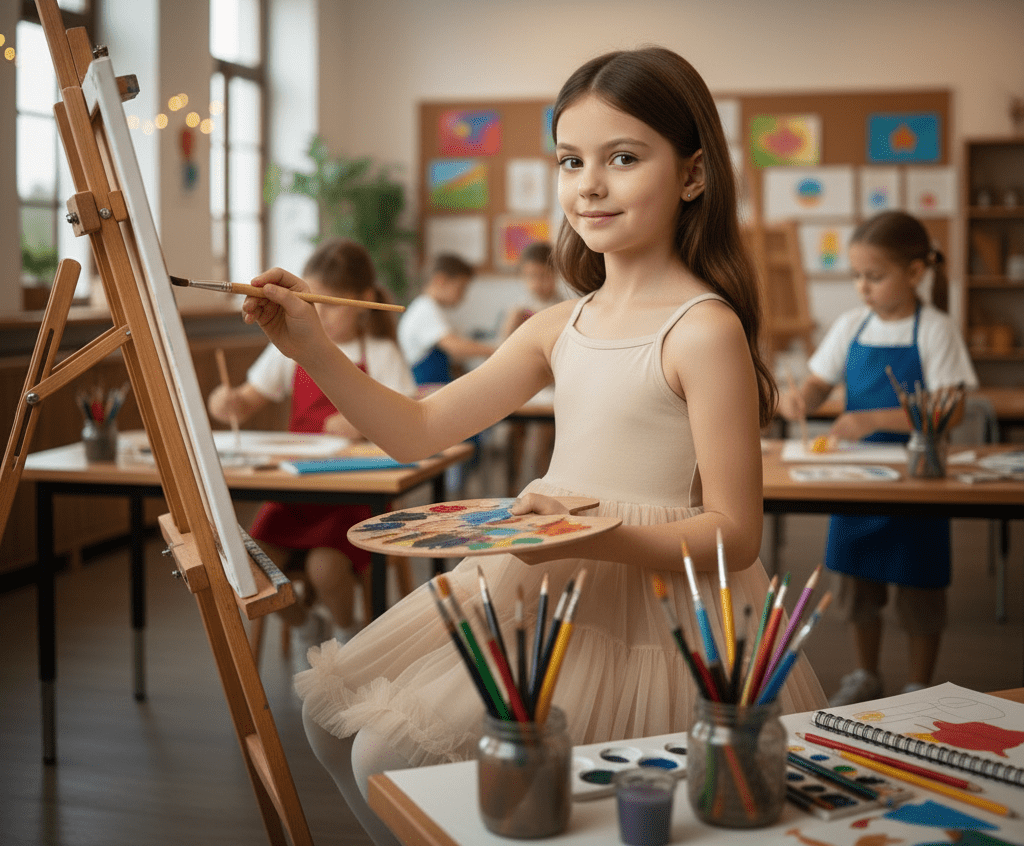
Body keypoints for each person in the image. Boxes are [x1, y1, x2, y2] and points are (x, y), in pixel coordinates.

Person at [240, 46, 826, 845]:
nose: (589, 183)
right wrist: (311, 348)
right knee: (336, 729)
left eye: (623, 158)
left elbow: (735, 534)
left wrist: (594, 535)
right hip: (535, 580)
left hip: (654, 613)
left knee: (390, 755)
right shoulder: (558, 324)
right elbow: (414, 429)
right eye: (571, 159)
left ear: (692, 175)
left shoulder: (705, 328)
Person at [778, 211, 978, 706]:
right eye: (856, 277)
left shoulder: (935, 329)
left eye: (875, 275)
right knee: (856, 584)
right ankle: (865, 674)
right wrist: (799, 398)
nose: (863, 287)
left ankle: (917, 685)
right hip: (855, 481)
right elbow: (818, 384)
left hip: (916, 479)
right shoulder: (851, 325)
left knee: (920, 587)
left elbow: (950, 410)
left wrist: (872, 420)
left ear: (915, 273)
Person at [208, 237, 416, 638]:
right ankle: (308, 625)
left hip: (353, 495)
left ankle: (346, 634)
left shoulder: (381, 351)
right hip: (296, 490)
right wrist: (227, 402)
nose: (324, 315)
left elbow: (407, 419)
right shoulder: (290, 345)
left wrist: (363, 420)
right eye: (315, 302)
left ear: (365, 300)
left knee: (325, 566)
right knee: (246, 564)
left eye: (335, 304)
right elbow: (247, 401)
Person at [498, 241, 562, 488]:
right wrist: (510, 325)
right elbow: (503, 350)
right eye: (531, 277)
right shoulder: (519, 309)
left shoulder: (562, 307)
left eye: (543, 276)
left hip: (550, 388)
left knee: (544, 442)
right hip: (522, 388)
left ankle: (543, 486)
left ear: (556, 274)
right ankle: (511, 488)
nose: (537, 283)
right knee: (516, 436)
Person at [397, 253, 494, 385]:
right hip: (424, 388)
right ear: (440, 280)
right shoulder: (425, 308)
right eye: (461, 288)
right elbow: (454, 346)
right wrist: (494, 350)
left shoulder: (432, 308)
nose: (463, 296)